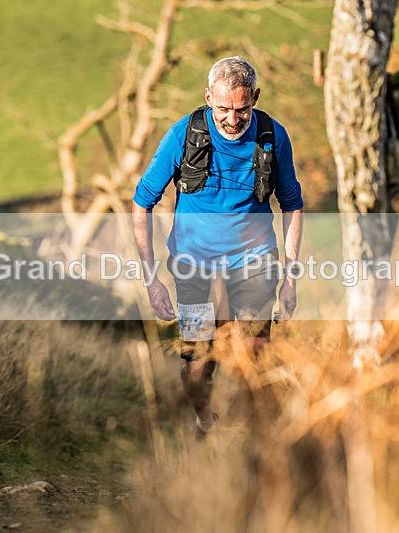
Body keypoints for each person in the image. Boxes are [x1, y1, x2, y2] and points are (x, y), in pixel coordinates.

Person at [132, 56, 304, 439]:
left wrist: (290, 279)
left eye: (242, 109)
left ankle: (253, 440)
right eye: (223, 108)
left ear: (255, 98)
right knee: (197, 364)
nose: (232, 119)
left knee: (256, 352)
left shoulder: (273, 137)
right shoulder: (182, 135)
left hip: (255, 261)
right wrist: (151, 279)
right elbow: (141, 202)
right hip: (193, 265)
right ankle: (206, 421)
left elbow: (292, 205)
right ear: (208, 97)